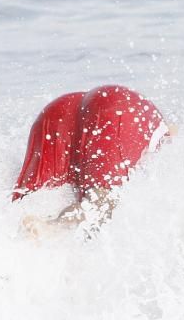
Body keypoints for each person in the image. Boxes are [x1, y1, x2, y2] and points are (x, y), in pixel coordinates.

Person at [13, 85, 169, 232]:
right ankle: (53, 226)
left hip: (58, 112)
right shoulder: (172, 150)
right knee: (101, 202)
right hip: (120, 108)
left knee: (24, 211)